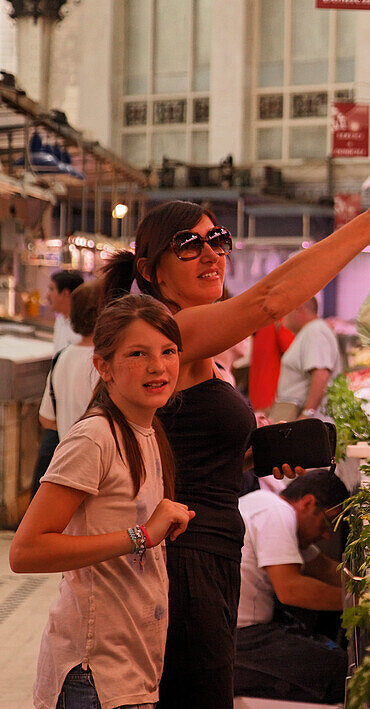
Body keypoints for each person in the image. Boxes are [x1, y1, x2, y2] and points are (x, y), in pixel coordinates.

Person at [98, 168, 370, 709]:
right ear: (149, 269)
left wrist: (255, 451)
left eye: (217, 240)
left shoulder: (198, 343)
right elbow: (269, 300)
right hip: (183, 558)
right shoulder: (167, 334)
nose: (210, 254)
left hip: (212, 551)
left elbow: (183, 448)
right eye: (188, 245)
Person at [9, 295, 195, 709]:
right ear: (103, 366)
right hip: (92, 674)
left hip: (132, 668)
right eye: (137, 354)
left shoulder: (147, 430)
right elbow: (26, 551)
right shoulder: (94, 437)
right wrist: (141, 535)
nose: (158, 367)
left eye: (168, 351)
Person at [234, 470, 349, 704]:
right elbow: (291, 589)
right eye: (328, 522)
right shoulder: (276, 512)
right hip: (241, 639)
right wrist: (360, 602)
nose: (327, 535)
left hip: (244, 631)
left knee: (329, 649)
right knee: (337, 667)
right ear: (308, 503)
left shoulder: (266, 503)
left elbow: (325, 569)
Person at [33, 282, 103, 495]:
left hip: (68, 467)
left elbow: (46, 418)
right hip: (99, 469)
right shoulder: (105, 362)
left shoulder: (62, 357)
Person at [268, 298, 342, 423]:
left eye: (286, 311)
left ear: (299, 308)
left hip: (308, 419)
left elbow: (321, 373)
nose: (282, 317)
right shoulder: (309, 331)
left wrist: (307, 413)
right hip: (297, 414)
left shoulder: (315, 330)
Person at [248, 321, 295, 411]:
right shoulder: (281, 320)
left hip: (257, 393)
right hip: (272, 394)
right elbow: (293, 352)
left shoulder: (263, 321)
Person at [46, 270, 85, 353]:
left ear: (65, 293)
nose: (47, 296)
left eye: (51, 289)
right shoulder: (60, 320)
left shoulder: (84, 327)